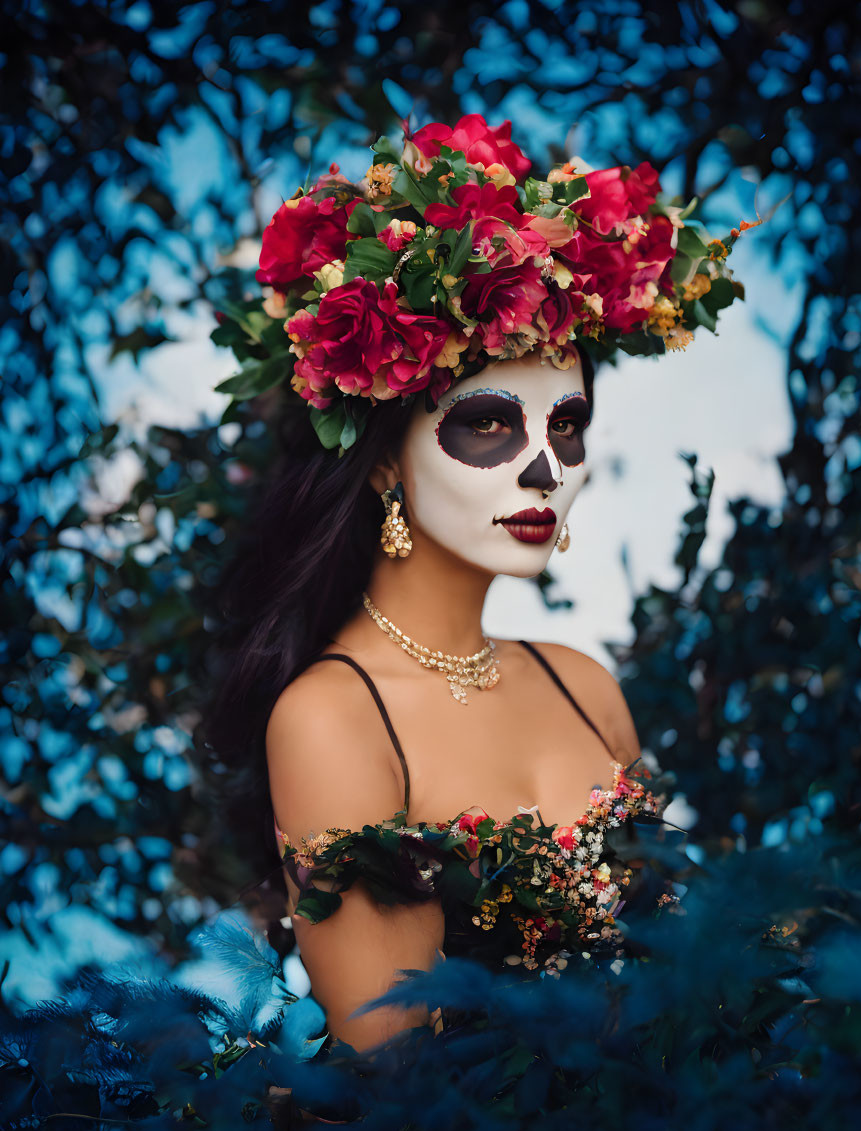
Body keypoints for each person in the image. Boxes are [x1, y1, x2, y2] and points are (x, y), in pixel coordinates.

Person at [205, 113, 744, 1056]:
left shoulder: (586, 687)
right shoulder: (333, 719)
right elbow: (402, 1073)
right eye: (491, 423)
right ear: (382, 464)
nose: (546, 467)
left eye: (566, 425)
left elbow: (684, 967)